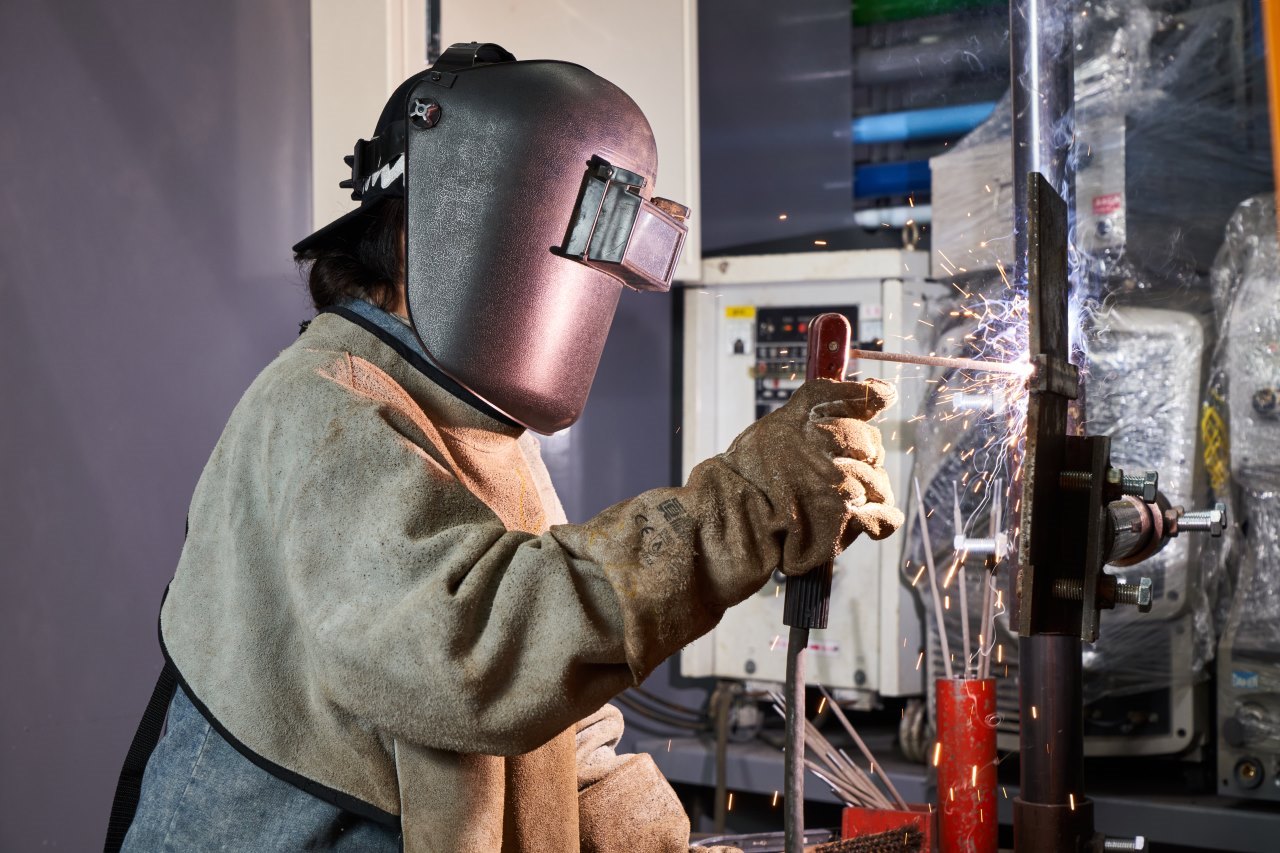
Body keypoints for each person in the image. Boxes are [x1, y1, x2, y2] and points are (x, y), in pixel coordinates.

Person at [106, 44, 904, 853]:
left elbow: (560, 736)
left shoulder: (474, 429)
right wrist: (745, 506)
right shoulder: (323, 407)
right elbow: (469, 656)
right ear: (433, 228)